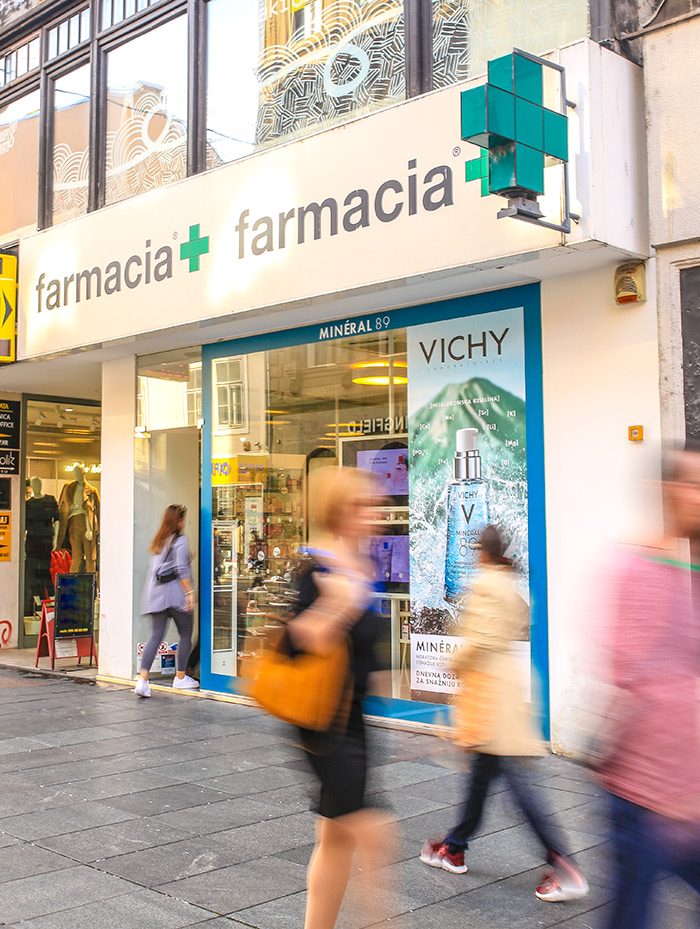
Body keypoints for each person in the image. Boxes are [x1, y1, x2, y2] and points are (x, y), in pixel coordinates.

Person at [420, 525, 589, 903]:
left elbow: (480, 642)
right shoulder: (506, 587)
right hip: (499, 697)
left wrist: (453, 662)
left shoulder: (487, 589)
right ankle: (455, 847)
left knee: (519, 791)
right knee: (480, 780)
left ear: (481, 553)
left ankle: (564, 866)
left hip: (491, 703)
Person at [593, 445, 700, 929]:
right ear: (667, 491)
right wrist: (678, 793)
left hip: (682, 789)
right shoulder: (640, 569)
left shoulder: (689, 570)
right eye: (692, 485)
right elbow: (637, 675)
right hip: (647, 793)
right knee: (630, 914)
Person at [286, 467, 396, 929]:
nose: (375, 516)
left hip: (353, 721)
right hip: (324, 726)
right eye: (365, 506)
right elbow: (299, 640)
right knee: (377, 835)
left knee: (336, 838)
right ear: (343, 512)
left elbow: (363, 653)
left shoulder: (362, 569)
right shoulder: (320, 568)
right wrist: (340, 604)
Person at [135, 504, 199, 697]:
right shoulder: (181, 540)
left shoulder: (159, 540)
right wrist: (189, 593)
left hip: (155, 595)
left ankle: (143, 680)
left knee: (155, 636)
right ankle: (180, 678)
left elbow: (165, 567)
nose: (184, 522)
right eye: (182, 519)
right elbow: (180, 569)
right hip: (176, 596)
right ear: (178, 521)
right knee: (185, 634)